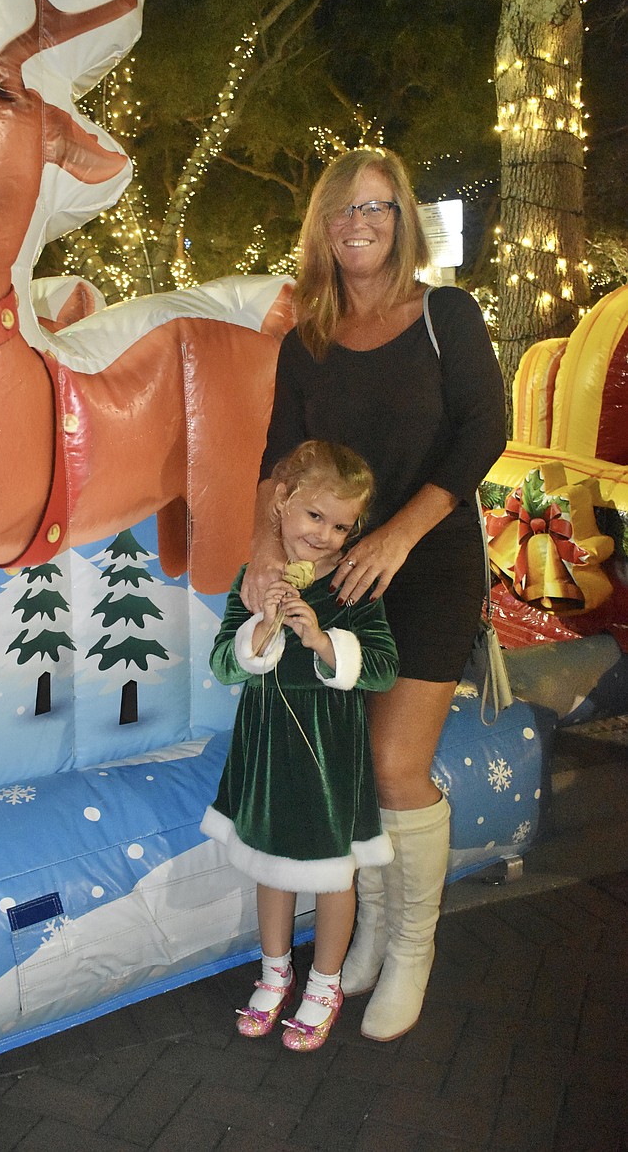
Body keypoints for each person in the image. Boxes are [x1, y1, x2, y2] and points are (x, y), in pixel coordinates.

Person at [241, 147, 506, 1042]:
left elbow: (485, 429)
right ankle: (372, 937)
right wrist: (259, 553)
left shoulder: (445, 314)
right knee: (357, 773)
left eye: (378, 207)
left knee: (395, 769)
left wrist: (399, 530)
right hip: (336, 583)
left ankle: (412, 947)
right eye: (343, 208)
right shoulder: (304, 343)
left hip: (428, 567)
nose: (358, 222)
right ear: (321, 223)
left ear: (403, 221)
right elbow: (280, 463)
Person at [201, 440, 399, 1052]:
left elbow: (384, 667)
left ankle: (326, 982)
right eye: (316, 516)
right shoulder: (254, 579)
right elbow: (223, 664)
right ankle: (274, 970)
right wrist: (258, 631)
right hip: (266, 753)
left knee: (334, 875)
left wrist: (321, 641)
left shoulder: (352, 584)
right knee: (272, 865)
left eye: (342, 524)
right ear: (283, 502)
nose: (327, 535)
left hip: (330, 756)